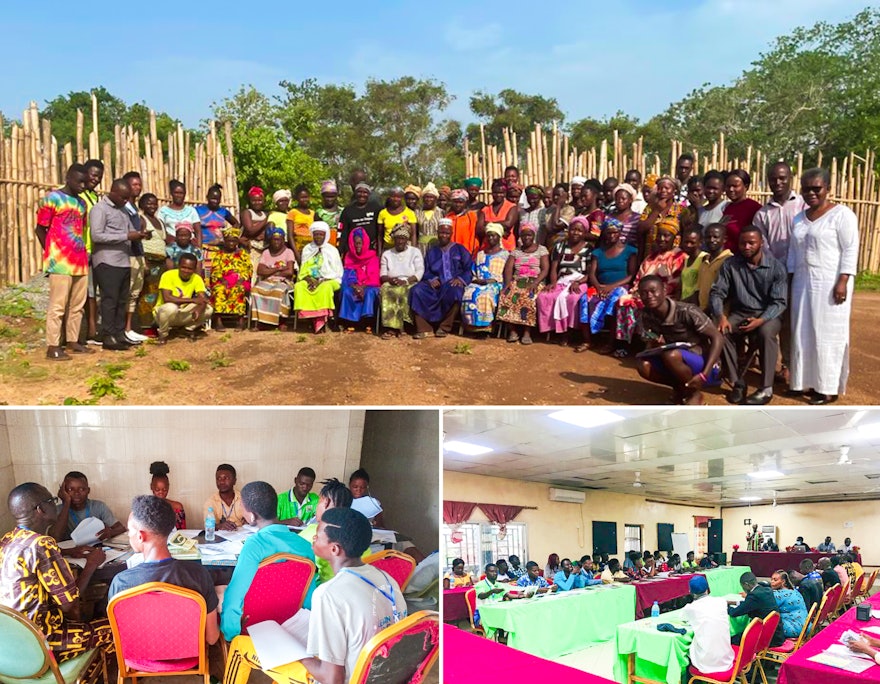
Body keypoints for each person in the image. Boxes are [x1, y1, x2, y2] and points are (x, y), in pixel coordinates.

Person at [223, 508, 406, 684]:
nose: (313, 538)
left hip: (346, 678)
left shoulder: (329, 594)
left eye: (318, 535)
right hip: (379, 674)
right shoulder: (387, 579)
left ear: (334, 549)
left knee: (240, 646)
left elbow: (332, 679)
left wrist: (300, 655)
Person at [0, 483, 114, 662]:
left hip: (12, 639)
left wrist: (67, 552)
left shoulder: (8, 539)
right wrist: (91, 565)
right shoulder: (42, 544)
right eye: (52, 500)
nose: (55, 504)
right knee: (113, 626)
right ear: (41, 509)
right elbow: (69, 605)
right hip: (42, 640)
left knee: (89, 619)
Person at [787, 167, 859, 404]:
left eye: (816, 188)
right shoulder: (799, 218)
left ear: (828, 188)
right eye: (806, 189)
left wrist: (843, 280)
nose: (811, 193)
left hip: (830, 284)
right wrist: (789, 279)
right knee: (801, 331)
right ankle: (802, 381)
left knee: (827, 334)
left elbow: (850, 249)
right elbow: (792, 252)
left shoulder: (842, 215)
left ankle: (827, 387)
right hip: (801, 283)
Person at [108, 495, 219, 643]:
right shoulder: (198, 574)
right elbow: (212, 638)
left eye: (129, 530)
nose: (129, 535)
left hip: (139, 660)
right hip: (190, 659)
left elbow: (118, 642)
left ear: (141, 536)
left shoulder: (121, 582)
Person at [220, 481, 317, 641]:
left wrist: (231, 634)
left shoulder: (254, 546)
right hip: (293, 628)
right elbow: (309, 596)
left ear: (252, 516)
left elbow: (235, 596)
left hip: (254, 629)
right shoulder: (305, 546)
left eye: (242, 506)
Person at [710, 226, 788, 405]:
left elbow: (779, 302)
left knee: (766, 333)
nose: (746, 247)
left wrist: (761, 320)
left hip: (768, 314)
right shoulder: (731, 264)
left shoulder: (776, 268)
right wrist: (721, 316)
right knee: (722, 332)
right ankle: (738, 382)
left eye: (751, 243)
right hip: (741, 312)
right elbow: (717, 292)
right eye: (743, 243)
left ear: (761, 243)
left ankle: (766, 388)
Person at [636, 275, 724, 405]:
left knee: (671, 355)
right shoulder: (646, 314)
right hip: (675, 359)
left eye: (653, 291)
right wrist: (654, 344)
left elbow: (717, 337)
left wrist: (704, 374)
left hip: (706, 364)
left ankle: (695, 394)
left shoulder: (687, 311)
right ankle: (680, 389)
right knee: (643, 365)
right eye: (644, 293)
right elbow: (650, 343)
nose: (649, 296)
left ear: (664, 290)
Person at [36, 164, 90, 360]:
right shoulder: (52, 199)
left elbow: (80, 231)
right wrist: (51, 253)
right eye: (79, 181)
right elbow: (40, 229)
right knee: (57, 305)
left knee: (77, 305)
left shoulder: (82, 204)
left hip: (80, 260)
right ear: (68, 178)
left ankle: (73, 341)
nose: (83, 185)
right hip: (60, 261)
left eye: (85, 181)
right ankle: (52, 346)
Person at [613, 219, 686, 356]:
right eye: (659, 236)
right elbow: (640, 277)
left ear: (675, 239)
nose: (662, 239)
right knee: (625, 300)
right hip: (644, 294)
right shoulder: (651, 257)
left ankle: (649, 344)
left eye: (666, 236)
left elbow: (674, 283)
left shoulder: (679, 257)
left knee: (651, 306)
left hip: (665, 296)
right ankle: (624, 344)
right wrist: (636, 291)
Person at [580, 217, 638, 348]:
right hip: (600, 286)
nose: (612, 235)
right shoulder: (598, 252)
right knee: (584, 299)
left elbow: (631, 275)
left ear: (620, 233)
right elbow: (592, 274)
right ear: (604, 233)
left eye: (615, 232)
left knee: (615, 301)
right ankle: (587, 340)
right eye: (609, 232)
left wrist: (611, 287)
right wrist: (599, 288)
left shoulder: (630, 250)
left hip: (620, 286)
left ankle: (610, 343)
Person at [409, 221, 473, 339]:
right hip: (436, 285)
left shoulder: (460, 249)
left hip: (452, 283)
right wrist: (431, 279)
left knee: (456, 292)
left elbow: (469, 268)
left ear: (451, 233)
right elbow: (426, 270)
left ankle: (444, 327)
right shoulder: (432, 251)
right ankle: (425, 328)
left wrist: (460, 279)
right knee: (416, 290)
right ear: (437, 233)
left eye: (447, 233)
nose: (444, 235)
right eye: (441, 232)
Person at [537, 216, 594, 340]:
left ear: (584, 232)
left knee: (573, 298)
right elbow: (554, 268)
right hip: (562, 280)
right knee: (545, 296)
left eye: (579, 230)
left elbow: (590, 273)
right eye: (573, 229)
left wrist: (578, 282)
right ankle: (552, 330)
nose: (576, 233)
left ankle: (569, 332)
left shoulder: (589, 248)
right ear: (569, 230)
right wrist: (553, 282)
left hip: (580, 280)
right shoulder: (560, 246)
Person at [497, 222, 549, 345]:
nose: (526, 238)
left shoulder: (542, 250)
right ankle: (513, 331)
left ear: (534, 235)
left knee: (529, 298)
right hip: (518, 280)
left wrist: (536, 283)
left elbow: (545, 269)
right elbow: (508, 268)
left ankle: (527, 332)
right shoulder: (516, 251)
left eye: (529, 235)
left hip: (535, 280)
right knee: (506, 296)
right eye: (524, 235)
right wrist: (508, 284)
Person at [298, 478, 354, 584]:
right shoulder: (356, 533)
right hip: (355, 588)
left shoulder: (314, 531)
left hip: (325, 589)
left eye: (319, 502)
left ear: (325, 502)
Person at [293, 222, 343, 334]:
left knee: (324, 289)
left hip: (329, 280)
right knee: (299, 287)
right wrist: (309, 280)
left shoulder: (332, 250)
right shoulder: (307, 249)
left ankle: (320, 321)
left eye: (321, 234)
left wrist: (322, 280)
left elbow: (337, 272)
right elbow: (303, 270)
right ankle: (310, 319)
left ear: (326, 235)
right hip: (310, 279)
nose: (318, 237)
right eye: (316, 234)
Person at [378, 224, 424, 338]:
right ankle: (392, 328)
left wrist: (407, 281)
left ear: (407, 239)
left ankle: (404, 326)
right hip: (391, 281)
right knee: (386, 290)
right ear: (394, 239)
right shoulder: (387, 254)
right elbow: (383, 275)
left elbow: (419, 271)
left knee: (404, 291)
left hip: (410, 282)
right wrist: (391, 280)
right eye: (397, 238)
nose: (400, 241)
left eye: (402, 238)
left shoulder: (415, 252)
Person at [460, 223, 508, 332]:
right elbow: (474, 271)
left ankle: (486, 325)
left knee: (486, 294)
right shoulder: (481, 254)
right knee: (469, 292)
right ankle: (471, 324)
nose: (491, 238)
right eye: (489, 235)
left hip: (496, 283)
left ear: (499, 237)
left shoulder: (505, 254)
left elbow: (506, 274)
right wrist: (476, 280)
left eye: (494, 235)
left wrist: (492, 281)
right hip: (479, 282)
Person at [153, 253, 211, 342]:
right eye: (183, 267)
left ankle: (187, 329)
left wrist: (199, 309)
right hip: (164, 314)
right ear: (178, 266)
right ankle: (163, 334)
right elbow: (167, 298)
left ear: (194, 269)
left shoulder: (197, 278)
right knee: (170, 307)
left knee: (208, 309)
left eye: (190, 269)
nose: (186, 271)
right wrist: (193, 300)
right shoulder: (168, 275)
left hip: (181, 312)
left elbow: (202, 299)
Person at [52, 471, 125, 542]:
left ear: (88, 490)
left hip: (96, 549)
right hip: (69, 552)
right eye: (70, 489)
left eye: (81, 489)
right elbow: (56, 538)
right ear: (63, 491)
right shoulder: (57, 510)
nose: (76, 493)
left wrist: (110, 532)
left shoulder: (99, 506)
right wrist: (66, 502)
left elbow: (121, 529)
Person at [683, 575, 735, 675]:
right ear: (708, 588)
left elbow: (683, 619)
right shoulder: (721, 602)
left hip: (706, 664)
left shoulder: (691, 608)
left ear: (690, 592)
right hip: (726, 659)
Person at [134, 193, 169, 333]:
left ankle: (156, 324)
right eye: (148, 203)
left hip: (161, 262)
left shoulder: (159, 221)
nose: (152, 206)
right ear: (141, 205)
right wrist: (144, 262)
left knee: (158, 295)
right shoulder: (142, 220)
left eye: (154, 203)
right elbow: (138, 241)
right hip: (149, 260)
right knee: (146, 295)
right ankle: (145, 327)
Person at [250, 226, 296, 329]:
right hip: (267, 280)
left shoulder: (289, 252)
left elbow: (289, 271)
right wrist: (278, 269)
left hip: (284, 281)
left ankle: (281, 321)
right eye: (274, 239)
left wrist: (270, 271)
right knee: (256, 290)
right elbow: (260, 271)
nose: (276, 242)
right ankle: (261, 321)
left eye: (278, 239)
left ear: (283, 240)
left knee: (278, 291)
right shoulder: (266, 252)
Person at [209, 227, 253, 331]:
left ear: (237, 241)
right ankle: (218, 320)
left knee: (239, 289)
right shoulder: (218, 255)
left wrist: (242, 278)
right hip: (222, 280)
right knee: (219, 289)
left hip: (240, 280)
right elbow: (215, 270)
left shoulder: (243, 254)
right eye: (229, 241)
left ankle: (240, 320)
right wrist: (221, 280)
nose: (231, 243)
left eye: (234, 241)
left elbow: (248, 269)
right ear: (225, 241)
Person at [728, 572, 785, 646]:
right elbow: (749, 605)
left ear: (746, 584)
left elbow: (734, 613)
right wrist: (735, 603)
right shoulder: (767, 590)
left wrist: (725, 606)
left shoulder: (754, 596)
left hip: (766, 638)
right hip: (777, 635)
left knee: (730, 640)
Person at [338, 227, 380, 324]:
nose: (357, 246)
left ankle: (367, 321)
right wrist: (355, 286)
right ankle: (350, 322)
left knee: (369, 293)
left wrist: (363, 286)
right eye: (355, 243)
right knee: (347, 291)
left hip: (369, 285)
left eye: (360, 243)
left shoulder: (373, 257)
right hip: (354, 284)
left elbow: (374, 277)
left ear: (365, 242)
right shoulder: (349, 257)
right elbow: (348, 275)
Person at [693, 223, 732, 312]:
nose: (711, 240)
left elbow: (729, 294)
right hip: (702, 312)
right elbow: (698, 291)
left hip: (719, 314)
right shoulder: (704, 262)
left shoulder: (729, 261)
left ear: (724, 239)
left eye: (715, 237)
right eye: (708, 237)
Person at [721, 170, 762, 253]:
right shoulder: (727, 207)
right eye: (728, 186)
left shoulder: (754, 208)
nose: (731, 189)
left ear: (746, 186)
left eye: (735, 186)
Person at [339, 182, 380, 256]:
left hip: (371, 250)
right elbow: (343, 232)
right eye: (359, 192)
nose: (362, 195)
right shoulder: (348, 210)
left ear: (369, 194)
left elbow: (380, 227)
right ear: (355, 193)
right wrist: (341, 250)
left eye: (365, 192)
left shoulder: (375, 207)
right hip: (352, 251)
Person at [203, 464, 247, 531]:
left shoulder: (244, 498)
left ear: (234, 481)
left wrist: (250, 521)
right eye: (218, 478)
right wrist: (219, 526)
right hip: (220, 538)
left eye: (226, 478)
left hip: (241, 537)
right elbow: (207, 527)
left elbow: (254, 521)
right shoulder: (210, 502)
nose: (222, 482)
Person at [196, 184, 239, 251]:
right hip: (203, 247)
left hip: (220, 248)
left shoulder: (223, 212)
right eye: (213, 198)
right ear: (207, 197)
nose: (215, 201)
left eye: (217, 199)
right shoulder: (198, 210)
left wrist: (230, 234)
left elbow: (236, 223)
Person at [480, 179, 518, 251]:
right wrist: (501, 228)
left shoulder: (512, 207)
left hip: (507, 247)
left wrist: (488, 224)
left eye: (501, 192)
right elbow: (479, 229)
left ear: (505, 193)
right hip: (488, 249)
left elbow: (508, 224)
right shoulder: (485, 209)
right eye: (495, 192)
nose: (498, 195)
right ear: (492, 192)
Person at [240, 186, 270, 273]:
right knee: (251, 273)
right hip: (250, 250)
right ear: (250, 201)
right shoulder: (247, 213)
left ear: (264, 201)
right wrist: (266, 220)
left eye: (260, 200)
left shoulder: (265, 214)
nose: (257, 203)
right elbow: (250, 230)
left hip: (264, 249)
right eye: (254, 200)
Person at [770, 570, 807, 638]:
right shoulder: (794, 590)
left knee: (768, 622)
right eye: (771, 579)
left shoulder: (780, 595)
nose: (772, 582)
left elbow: (766, 604)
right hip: (805, 625)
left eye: (775, 580)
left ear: (783, 581)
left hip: (795, 628)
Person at [149, 461, 186, 529]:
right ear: (151, 487)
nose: (161, 492)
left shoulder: (177, 507)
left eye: (165, 489)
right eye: (157, 489)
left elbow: (182, 531)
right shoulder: (146, 508)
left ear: (168, 487)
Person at [447, 189, 480, 255]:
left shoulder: (471, 216)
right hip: (451, 254)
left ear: (465, 203)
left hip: (467, 253)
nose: (458, 204)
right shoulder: (448, 217)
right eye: (455, 202)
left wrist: (470, 253)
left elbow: (473, 236)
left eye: (460, 202)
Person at [286, 184, 316, 257]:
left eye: (306, 197)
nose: (304, 200)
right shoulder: (293, 212)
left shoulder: (313, 213)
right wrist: (296, 254)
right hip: (297, 247)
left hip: (311, 247)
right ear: (297, 198)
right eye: (302, 197)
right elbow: (290, 235)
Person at [679, 225, 707, 302]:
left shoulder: (704, 258)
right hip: (684, 304)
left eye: (692, 242)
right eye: (686, 242)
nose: (688, 245)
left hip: (694, 306)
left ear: (700, 243)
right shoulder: (685, 260)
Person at [415, 182, 443, 256]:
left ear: (436, 198)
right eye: (426, 197)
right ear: (423, 198)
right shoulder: (417, 212)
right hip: (420, 247)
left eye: (431, 197)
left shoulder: (441, 212)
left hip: (437, 246)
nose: (428, 199)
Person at [315, 181, 343, 246]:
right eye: (327, 197)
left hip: (340, 243)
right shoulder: (319, 213)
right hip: (324, 244)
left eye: (332, 197)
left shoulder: (342, 211)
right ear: (322, 196)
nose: (329, 199)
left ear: (336, 196)